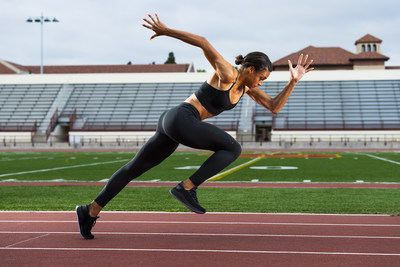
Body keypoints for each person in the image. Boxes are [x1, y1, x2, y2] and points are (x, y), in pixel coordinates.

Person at [76, 13, 313, 239]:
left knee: (133, 169)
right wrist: (165, 30)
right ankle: (186, 188)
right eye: (262, 77)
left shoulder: (246, 89)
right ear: (250, 69)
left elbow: (274, 106)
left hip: (174, 123)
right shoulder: (227, 74)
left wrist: (293, 82)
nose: (262, 82)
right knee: (232, 148)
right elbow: (203, 42)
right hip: (181, 117)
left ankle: (89, 211)